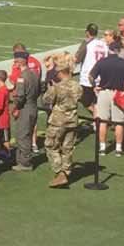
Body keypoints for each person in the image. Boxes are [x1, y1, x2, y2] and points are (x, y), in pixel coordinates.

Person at [40, 57, 85, 188]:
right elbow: (80, 97)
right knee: (67, 148)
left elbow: (46, 100)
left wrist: (50, 88)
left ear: (60, 72)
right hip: (73, 120)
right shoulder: (77, 86)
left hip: (58, 121)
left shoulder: (57, 87)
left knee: (51, 146)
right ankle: (66, 170)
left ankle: (60, 172)